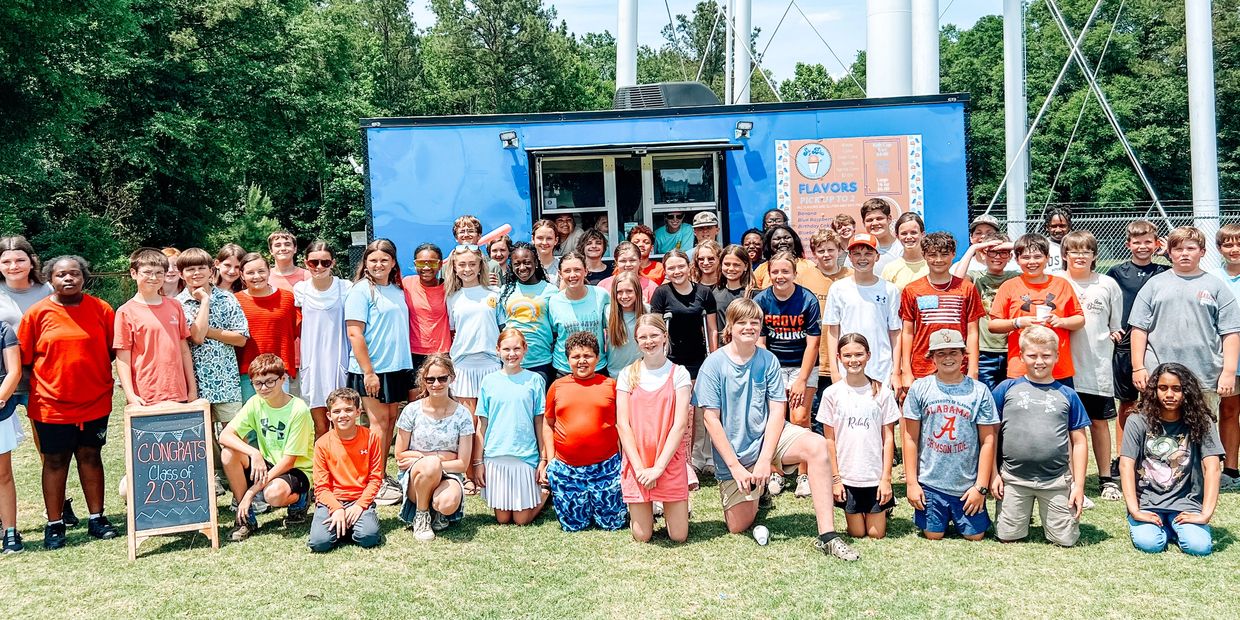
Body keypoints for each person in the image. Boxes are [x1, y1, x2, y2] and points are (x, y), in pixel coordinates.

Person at [694, 299, 858, 560]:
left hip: (772, 439)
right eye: (742, 322)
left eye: (755, 322)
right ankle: (759, 495)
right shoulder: (713, 365)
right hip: (735, 454)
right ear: (730, 327)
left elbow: (777, 413)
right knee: (738, 527)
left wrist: (764, 462)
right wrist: (737, 467)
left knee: (816, 446)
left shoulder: (769, 360)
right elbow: (711, 420)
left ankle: (827, 535)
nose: (749, 327)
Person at [19, 256, 118, 549]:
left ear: (84, 277)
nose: (68, 279)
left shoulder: (102, 309)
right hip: (51, 404)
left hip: (95, 401)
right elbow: (24, 360)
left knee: (91, 455)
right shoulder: (37, 314)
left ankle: (97, 518)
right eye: (61, 274)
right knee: (54, 461)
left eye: (74, 273)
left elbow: (112, 351)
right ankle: (55, 524)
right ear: (50, 278)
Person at [1130, 226, 1240, 469]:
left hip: (1204, 374)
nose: (1184, 254)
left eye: (1191, 248)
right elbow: (1139, 329)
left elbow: (1230, 332)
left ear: (1202, 251)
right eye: (1178, 249)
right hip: (1160, 375)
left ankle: (1202, 477)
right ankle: (1161, 477)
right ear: (1169, 253)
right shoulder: (1154, 285)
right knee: (1160, 428)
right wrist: (1138, 367)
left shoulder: (1216, 286)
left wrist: (1228, 371)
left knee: (1202, 428)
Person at [991, 326, 1089, 546]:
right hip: (1013, 480)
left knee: (1065, 541)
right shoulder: (1006, 389)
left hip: (1055, 481)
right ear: (1021, 355)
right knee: (1007, 536)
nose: (1039, 361)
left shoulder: (1068, 395)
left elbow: (1080, 442)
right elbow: (991, 435)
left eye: (1046, 355)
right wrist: (993, 475)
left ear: (1056, 356)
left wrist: (1078, 485)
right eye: (1032, 355)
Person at [902, 328, 999, 541]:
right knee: (933, 534)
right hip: (931, 483)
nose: (948, 358)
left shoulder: (979, 390)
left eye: (953, 352)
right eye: (941, 353)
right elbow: (909, 438)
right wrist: (912, 483)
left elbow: (988, 440)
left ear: (964, 355)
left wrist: (981, 487)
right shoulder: (920, 388)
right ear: (932, 357)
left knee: (976, 536)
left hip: (966, 484)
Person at [1120, 362, 1222, 556]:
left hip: (1186, 503)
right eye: (1162, 388)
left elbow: (1213, 469)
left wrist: (1205, 514)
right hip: (1148, 503)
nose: (1169, 394)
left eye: (1177, 389)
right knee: (1150, 544)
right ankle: (1164, 527)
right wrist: (1135, 511)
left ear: (1187, 391)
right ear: (1153, 390)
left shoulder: (1202, 421)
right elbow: (1126, 465)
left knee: (1199, 548)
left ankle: (1173, 526)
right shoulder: (1137, 420)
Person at [345, 239, 413, 505]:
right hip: (372, 370)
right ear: (365, 263)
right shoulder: (361, 291)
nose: (378, 264)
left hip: (395, 368)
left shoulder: (397, 290)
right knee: (378, 425)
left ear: (393, 262)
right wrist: (368, 372)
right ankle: (373, 479)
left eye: (384, 260)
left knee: (390, 422)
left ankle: (381, 474)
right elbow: (354, 332)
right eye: (373, 260)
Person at [176, 247, 249, 492]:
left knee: (234, 434)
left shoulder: (228, 298)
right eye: (190, 269)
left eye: (201, 268)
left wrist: (211, 331)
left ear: (211, 270)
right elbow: (195, 337)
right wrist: (204, 302)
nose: (196, 273)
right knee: (202, 436)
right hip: (194, 381)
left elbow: (240, 338)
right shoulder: (177, 304)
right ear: (181, 273)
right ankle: (214, 478)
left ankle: (243, 481)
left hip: (225, 378)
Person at [219, 354, 314, 541]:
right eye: (258, 383)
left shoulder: (298, 409)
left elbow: (289, 461)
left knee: (273, 495)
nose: (264, 388)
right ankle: (245, 519)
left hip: (296, 469)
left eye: (270, 381)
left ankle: (301, 500)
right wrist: (254, 452)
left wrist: (251, 492)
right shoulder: (255, 402)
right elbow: (225, 435)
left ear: (283, 379)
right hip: (268, 462)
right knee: (228, 454)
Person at [1060, 230, 1124, 500]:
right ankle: (1069, 481)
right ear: (1065, 255)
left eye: (1086, 251)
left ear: (1094, 255)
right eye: (1074, 251)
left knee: (1099, 423)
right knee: (1065, 426)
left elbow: (1115, 326)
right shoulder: (1057, 282)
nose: (1080, 256)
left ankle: (1106, 479)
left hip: (1096, 367)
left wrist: (1114, 334)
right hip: (1062, 367)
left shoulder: (1107, 284)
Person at [617, 315, 691, 543]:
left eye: (654, 335)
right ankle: (648, 509)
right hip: (638, 462)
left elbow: (679, 425)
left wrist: (658, 468)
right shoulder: (627, 374)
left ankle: (674, 505)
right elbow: (623, 424)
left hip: (667, 461)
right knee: (642, 536)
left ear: (664, 337)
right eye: (643, 337)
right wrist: (639, 468)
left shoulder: (679, 374)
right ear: (636, 341)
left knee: (678, 536)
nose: (649, 341)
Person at [818, 333, 899, 539]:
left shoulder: (882, 393)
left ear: (868, 355)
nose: (853, 360)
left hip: (874, 476)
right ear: (839, 357)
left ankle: (883, 507)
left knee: (876, 534)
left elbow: (888, 438)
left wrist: (886, 480)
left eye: (859, 354)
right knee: (857, 533)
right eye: (847, 355)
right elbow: (829, 439)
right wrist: (836, 480)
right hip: (848, 477)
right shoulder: (832, 394)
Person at [542, 332, 625, 532]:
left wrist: (623, 459)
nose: (582, 361)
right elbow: (548, 423)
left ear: (597, 358)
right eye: (576, 357)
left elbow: (622, 424)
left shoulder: (611, 385)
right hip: (567, 468)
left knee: (612, 524)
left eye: (587, 356)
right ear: (567, 359)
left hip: (606, 467)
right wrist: (550, 459)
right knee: (574, 525)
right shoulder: (557, 386)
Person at [753, 251, 819, 498]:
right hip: (774, 366)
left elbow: (813, 344)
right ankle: (776, 473)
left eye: (785, 272)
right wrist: (770, 376)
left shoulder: (807, 300)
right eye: (775, 272)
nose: (780, 276)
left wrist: (801, 380)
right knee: (774, 419)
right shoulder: (762, 300)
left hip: (803, 365)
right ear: (769, 274)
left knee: (800, 417)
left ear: (794, 273)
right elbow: (761, 343)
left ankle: (803, 474)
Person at [1106, 219, 1168, 476]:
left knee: (1160, 402)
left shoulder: (1166, 271)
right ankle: (1124, 457)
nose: (1143, 247)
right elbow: (1106, 303)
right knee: (1129, 403)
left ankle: (1159, 453)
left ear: (1156, 244)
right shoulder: (1116, 273)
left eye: (1148, 242)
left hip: (1157, 342)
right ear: (1128, 244)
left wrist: (1168, 255)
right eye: (1137, 242)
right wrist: (1110, 328)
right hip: (1125, 345)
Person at [395, 355, 475, 541]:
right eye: (430, 379)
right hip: (417, 475)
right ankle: (421, 515)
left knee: (447, 503)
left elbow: (462, 464)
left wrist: (423, 458)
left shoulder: (463, 414)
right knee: (430, 464)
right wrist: (439, 457)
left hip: (449, 475)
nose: (436, 384)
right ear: (423, 381)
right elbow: (399, 455)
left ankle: (438, 510)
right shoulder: (411, 411)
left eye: (442, 378)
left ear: (451, 378)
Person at [475, 330, 550, 525]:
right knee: (502, 519)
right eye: (506, 349)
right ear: (498, 350)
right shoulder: (488, 381)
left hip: (524, 456)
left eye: (517, 348)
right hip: (496, 456)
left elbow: (539, 421)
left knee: (521, 520)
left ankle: (544, 494)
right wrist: (478, 462)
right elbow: (482, 425)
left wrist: (543, 459)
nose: (512, 354)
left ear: (525, 349)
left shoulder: (534, 380)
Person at [987, 234, 1085, 384]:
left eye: (1037, 256)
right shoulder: (1009, 286)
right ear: (1017, 259)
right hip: (1021, 368)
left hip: (1058, 369)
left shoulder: (1061, 284)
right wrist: (1017, 322)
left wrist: (1061, 321)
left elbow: (1079, 319)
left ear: (1047, 258)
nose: (1032, 262)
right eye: (1026, 257)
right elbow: (993, 325)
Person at [897, 232, 984, 395]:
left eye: (944, 254)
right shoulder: (912, 289)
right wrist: (906, 371)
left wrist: (973, 369)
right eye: (932, 255)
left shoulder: (966, 288)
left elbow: (972, 332)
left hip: (959, 367)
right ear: (924, 255)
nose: (938, 260)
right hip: (921, 368)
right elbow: (907, 332)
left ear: (953, 255)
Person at [114, 248, 197, 406]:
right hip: (145, 395)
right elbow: (123, 358)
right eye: (147, 272)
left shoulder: (175, 306)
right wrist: (131, 395)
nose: (153, 277)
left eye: (159, 273)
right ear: (134, 273)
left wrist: (192, 389)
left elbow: (184, 350)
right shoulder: (125, 312)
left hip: (178, 392)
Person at [307, 388, 384, 552]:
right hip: (331, 501)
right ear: (329, 416)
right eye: (337, 411)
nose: (343, 415)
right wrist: (336, 509)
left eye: (348, 410)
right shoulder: (322, 444)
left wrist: (360, 506)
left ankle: (353, 523)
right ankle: (343, 523)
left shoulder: (371, 438)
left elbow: (375, 479)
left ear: (358, 412)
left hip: (359, 500)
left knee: (368, 537)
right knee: (319, 543)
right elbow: (321, 487)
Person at [824, 234, 901, 389]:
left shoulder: (890, 290)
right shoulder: (838, 288)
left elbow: (895, 332)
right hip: (847, 368)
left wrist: (896, 372)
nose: (862, 258)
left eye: (868, 253)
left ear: (877, 257)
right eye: (857, 254)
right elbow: (832, 331)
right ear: (850, 257)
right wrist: (834, 370)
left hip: (882, 369)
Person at [292, 241, 350, 437]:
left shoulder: (345, 288)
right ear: (306, 263)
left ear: (333, 263)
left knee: (343, 421)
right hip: (312, 361)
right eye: (313, 262)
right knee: (320, 426)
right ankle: (322, 465)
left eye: (325, 262)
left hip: (338, 360)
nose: (319, 267)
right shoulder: (300, 290)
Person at [798, 229, 852, 431]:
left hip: (846, 355)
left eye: (831, 249)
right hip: (815, 356)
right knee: (817, 412)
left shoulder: (851, 276)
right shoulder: (804, 277)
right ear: (813, 253)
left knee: (844, 410)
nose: (826, 254)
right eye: (821, 250)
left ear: (839, 250)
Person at [235, 252, 301, 401]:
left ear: (269, 272)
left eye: (261, 271)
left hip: (279, 370)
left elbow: (295, 331)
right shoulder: (235, 300)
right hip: (247, 372)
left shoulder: (287, 298)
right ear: (242, 275)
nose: (256, 276)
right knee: (252, 420)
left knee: (279, 418)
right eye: (250, 272)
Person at [959, 232, 1019, 390]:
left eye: (1003, 252)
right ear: (984, 253)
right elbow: (957, 280)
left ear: (1010, 255)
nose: (997, 257)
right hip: (984, 351)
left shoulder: (1017, 277)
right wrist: (975, 248)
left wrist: (1013, 245)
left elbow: (1033, 252)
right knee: (987, 400)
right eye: (992, 251)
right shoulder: (976, 277)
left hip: (1013, 349)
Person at [445, 245, 501, 414]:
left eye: (472, 264)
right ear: (454, 268)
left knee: (490, 420)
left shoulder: (495, 293)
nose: (467, 269)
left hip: (491, 362)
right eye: (462, 265)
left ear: (480, 266)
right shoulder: (451, 297)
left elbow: (502, 328)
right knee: (469, 422)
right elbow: (452, 331)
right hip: (463, 365)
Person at [497, 242, 556, 387]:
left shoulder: (550, 291)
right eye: (517, 264)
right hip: (512, 361)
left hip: (541, 361)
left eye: (527, 263)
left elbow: (556, 329)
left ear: (536, 263)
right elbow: (502, 326)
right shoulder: (504, 291)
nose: (522, 268)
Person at [548, 252, 611, 377]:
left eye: (577, 270)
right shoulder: (554, 302)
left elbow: (610, 327)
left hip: (596, 366)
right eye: (567, 271)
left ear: (586, 271)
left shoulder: (601, 295)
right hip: (564, 368)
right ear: (560, 274)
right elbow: (554, 333)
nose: (572, 275)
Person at [1213, 223, 1240, 489]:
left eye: (1238, 243)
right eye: (1228, 244)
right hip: (1227, 358)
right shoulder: (1213, 279)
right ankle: (1230, 469)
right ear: (1220, 248)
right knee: (1229, 410)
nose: (1234, 249)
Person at [403, 243, 452, 378]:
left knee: (440, 396)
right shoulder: (406, 284)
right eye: (420, 263)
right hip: (413, 353)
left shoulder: (449, 288)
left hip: (441, 353)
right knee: (416, 398)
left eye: (432, 263)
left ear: (441, 264)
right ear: (415, 264)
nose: (426, 267)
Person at [0, 310, 21, 553]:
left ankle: (10, 531)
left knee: (3, 475)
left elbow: (13, 371)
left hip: (1, 411)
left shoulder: (4, 329)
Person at [713, 244, 755, 347]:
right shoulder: (714, 293)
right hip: (722, 350)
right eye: (727, 264)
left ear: (745, 266)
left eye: (736, 265)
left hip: (746, 348)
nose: (731, 268)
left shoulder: (752, 294)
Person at [605, 272, 646, 377]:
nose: (624, 296)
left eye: (629, 291)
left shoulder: (648, 311)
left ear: (637, 291)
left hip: (641, 374)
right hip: (614, 374)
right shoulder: (607, 312)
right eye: (619, 292)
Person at [0, 236, 53, 314]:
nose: (14, 267)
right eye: (6, 262)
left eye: (20, 260)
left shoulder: (48, 290)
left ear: (32, 263)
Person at [752, 224, 812, 289]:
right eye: (777, 239)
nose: (783, 242)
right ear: (769, 243)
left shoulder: (808, 265)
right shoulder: (762, 269)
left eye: (787, 238)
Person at [880, 212, 928, 289]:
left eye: (913, 232)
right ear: (897, 236)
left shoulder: (933, 265)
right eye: (904, 233)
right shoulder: (890, 268)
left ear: (923, 234)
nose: (909, 237)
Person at [859, 198, 902, 274]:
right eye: (869, 220)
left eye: (879, 218)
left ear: (889, 219)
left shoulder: (902, 249)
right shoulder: (856, 250)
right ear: (863, 223)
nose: (875, 223)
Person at [1043, 207, 1072, 274]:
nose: (1058, 230)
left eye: (1062, 226)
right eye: (1053, 226)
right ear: (1047, 227)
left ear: (1069, 226)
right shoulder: (1042, 246)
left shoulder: (1076, 246)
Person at [532, 219, 560, 286]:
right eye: (540, 238)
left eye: (549, 238)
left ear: (556, 240)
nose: (544, 242)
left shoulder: (562, 266)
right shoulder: (527, 266)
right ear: (533, 239)